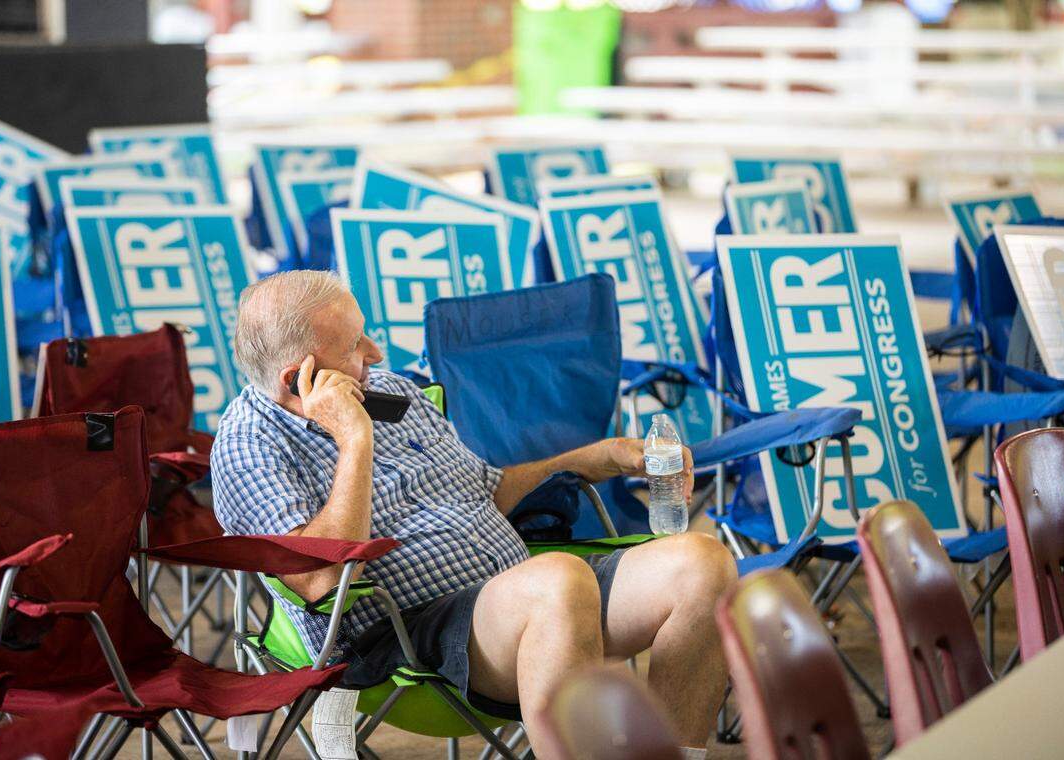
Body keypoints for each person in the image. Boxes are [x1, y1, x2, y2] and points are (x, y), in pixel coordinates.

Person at [212, 270, 737, 758]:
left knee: (702, 563)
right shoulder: (249, 445)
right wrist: (354, 440)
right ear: (295, 379)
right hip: (412, 636)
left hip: (520, 595)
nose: (376, 352)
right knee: (558, 579)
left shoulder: (393, 392)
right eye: (354, 346)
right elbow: (320, 580)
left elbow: (491, 489)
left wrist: (594, 458)